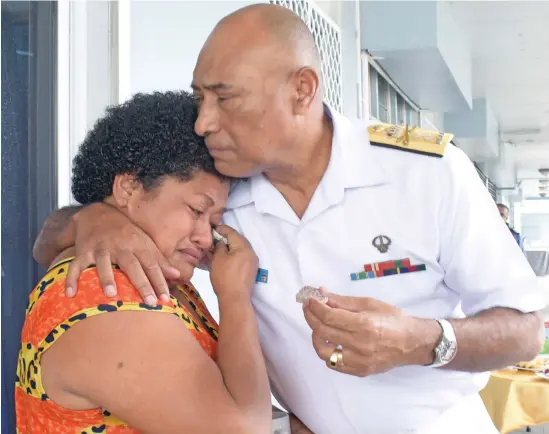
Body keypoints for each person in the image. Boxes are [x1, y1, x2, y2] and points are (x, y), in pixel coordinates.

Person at [33, 4, 546, 434]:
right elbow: (54, 239)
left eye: (224, 97)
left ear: (302, 90)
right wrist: (98, 218)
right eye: (199, 98)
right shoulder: (225, 192)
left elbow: (524, 331)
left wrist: (422, 340)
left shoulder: (423, 175)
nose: (203, 121)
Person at [17, 91, 272, 434]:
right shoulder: (107, 297)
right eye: (196, 211)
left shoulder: (146, 271)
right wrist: (235, 297)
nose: (205, 237)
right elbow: (243, 430)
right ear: (128, 188)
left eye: (214, 221)